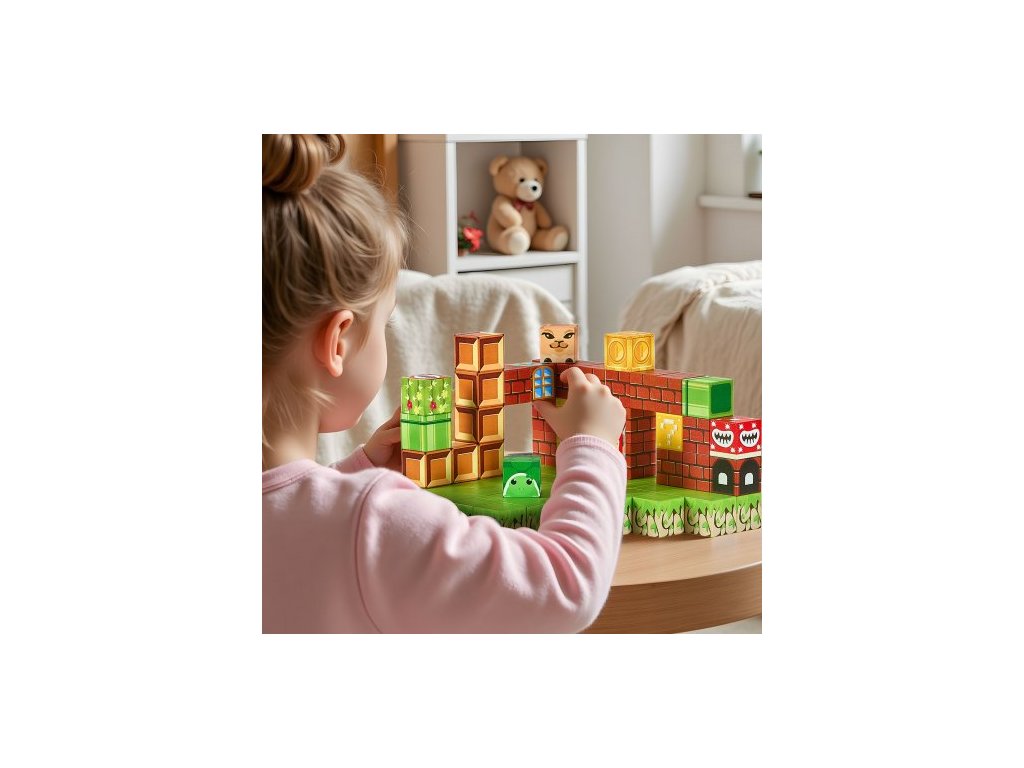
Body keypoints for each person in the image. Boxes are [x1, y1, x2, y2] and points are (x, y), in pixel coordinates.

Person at [262, 134, 627, 633]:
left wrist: (354, 470)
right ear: (338, 342)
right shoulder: (375, 519)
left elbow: (296, 516)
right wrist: (592, 445)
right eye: (386, 321)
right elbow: (564, 586)